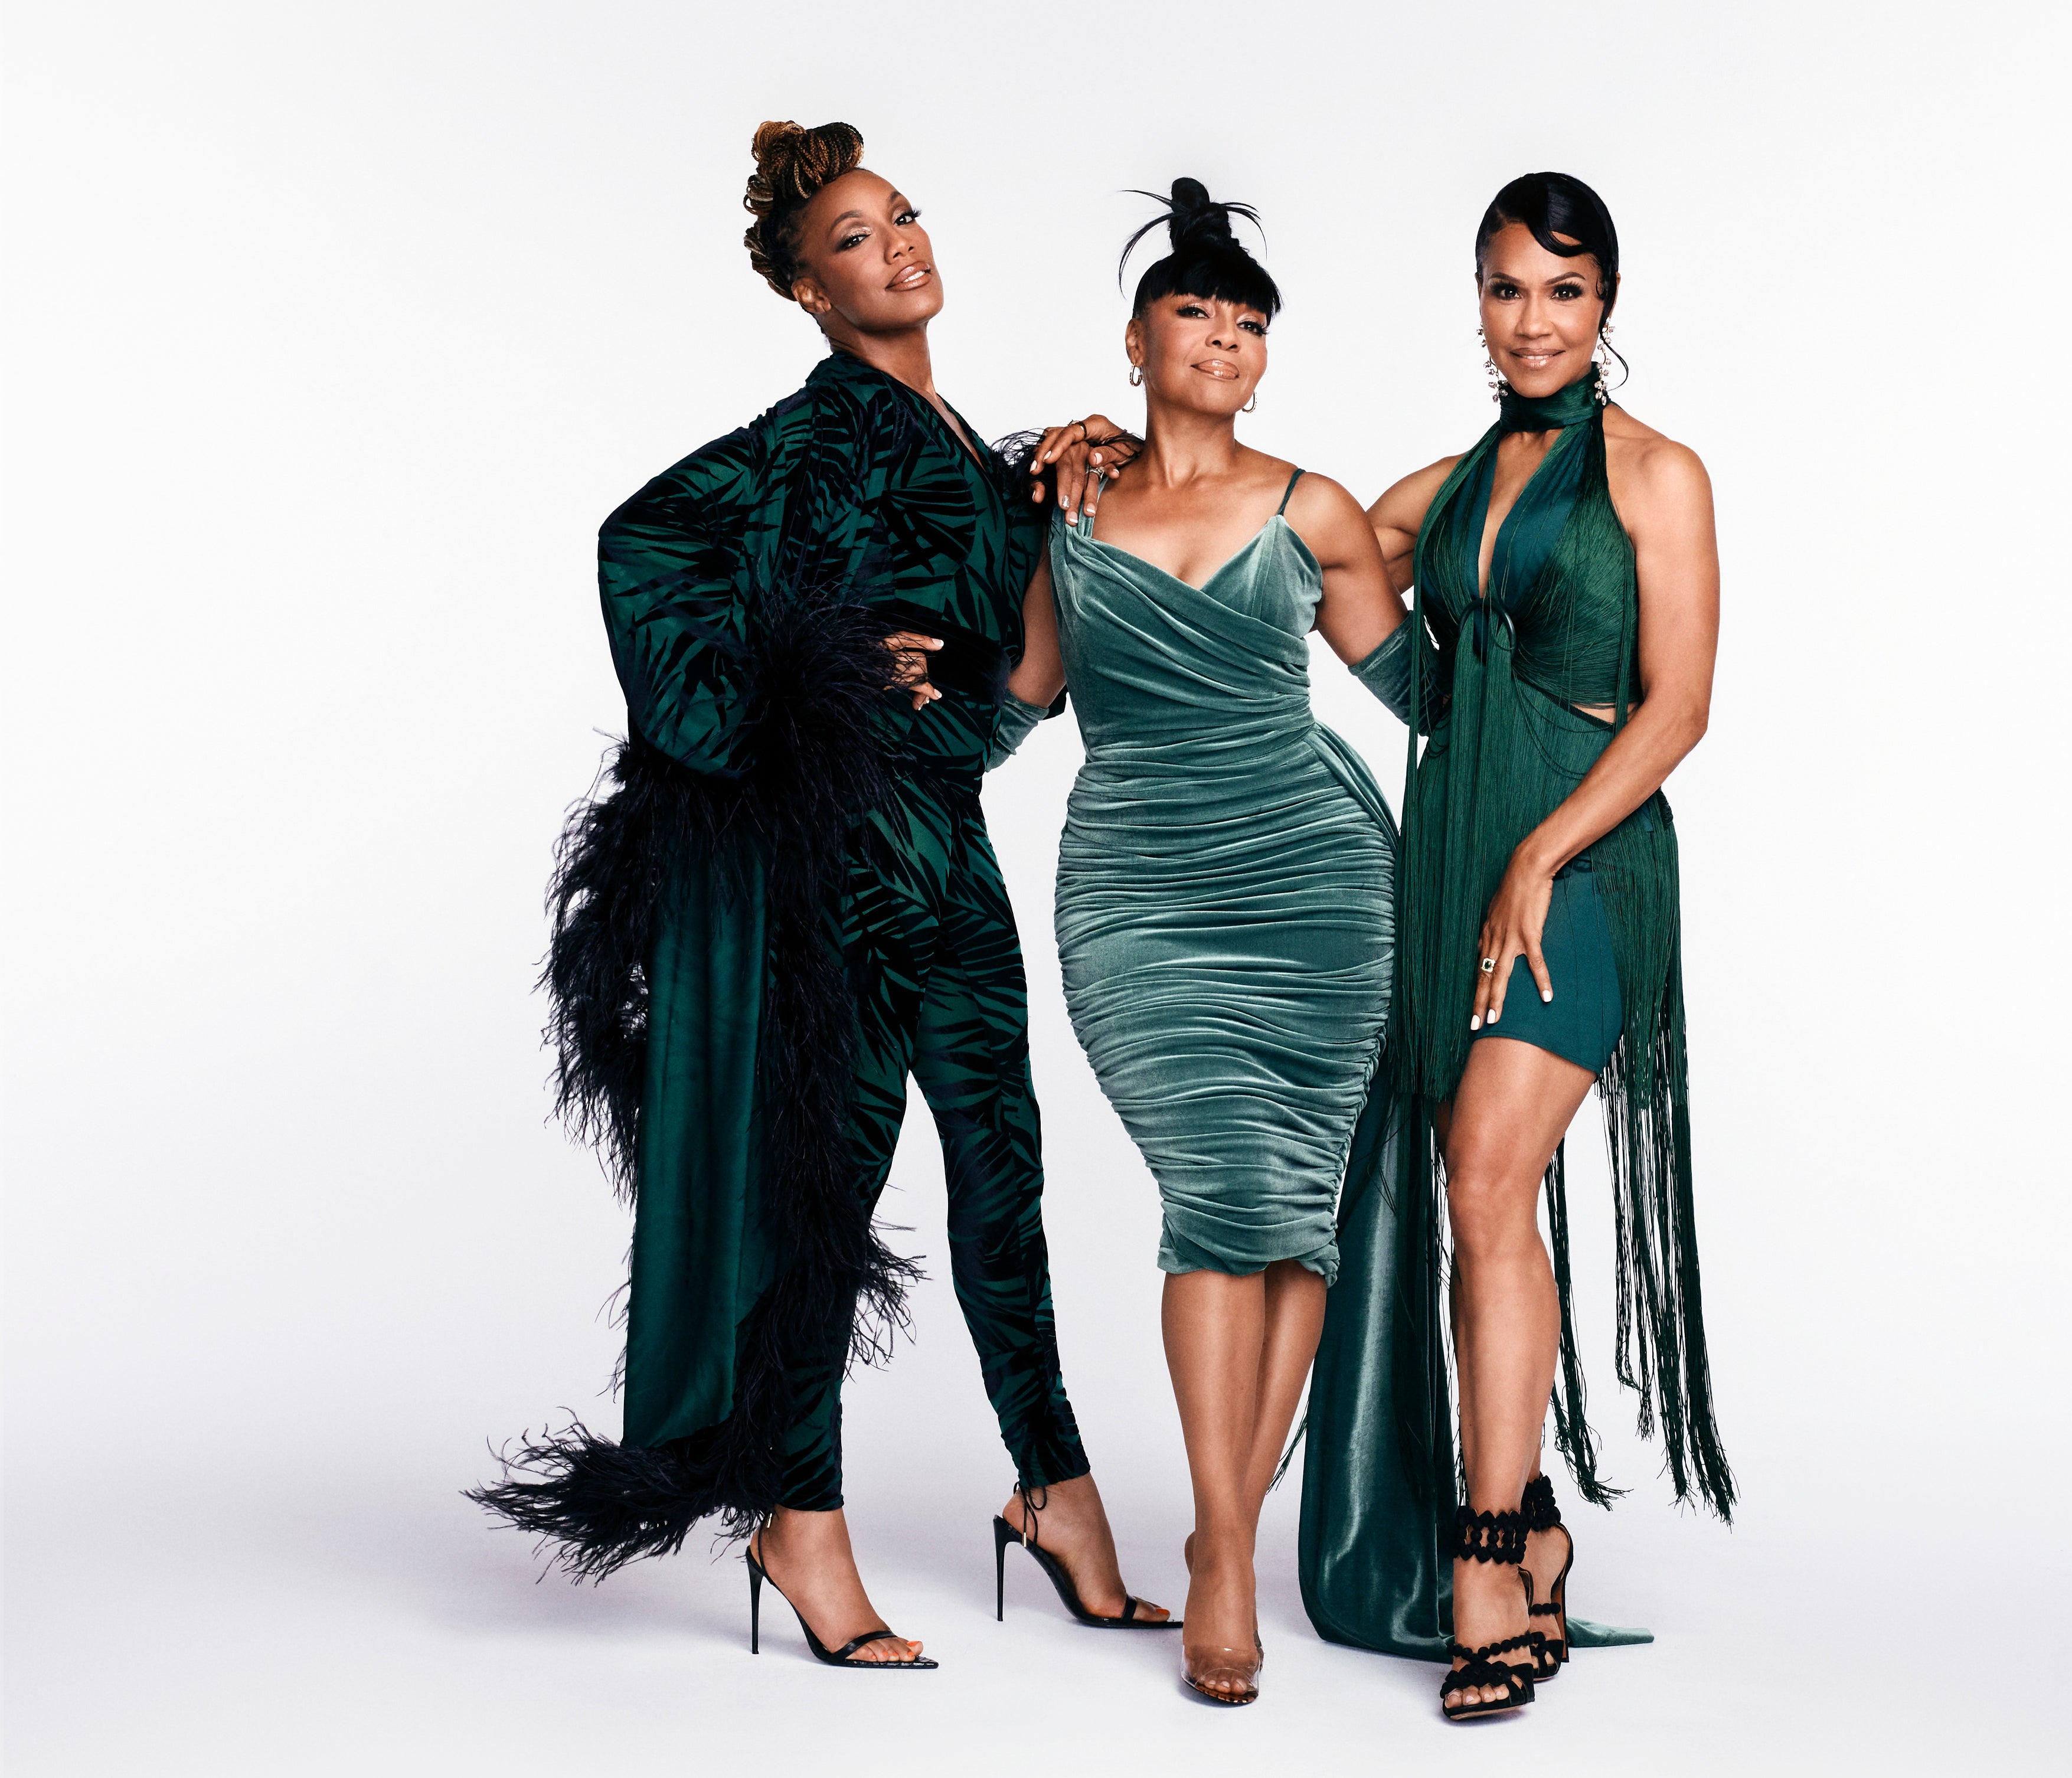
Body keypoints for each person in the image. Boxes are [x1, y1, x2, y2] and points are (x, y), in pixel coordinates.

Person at [469, 120, 1169, 1669]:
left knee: (1007, 1178)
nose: (899, 244)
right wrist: (798, 687)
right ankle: (801, 1516)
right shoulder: (814, 438)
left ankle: (1053, 1485)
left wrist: (1051, 508)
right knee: (825, 1201)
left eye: (905, 214)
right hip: (838, 869)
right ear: (805, 288)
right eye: (856, 236)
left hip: (953, 853)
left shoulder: (969, 449)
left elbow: (1028, 687)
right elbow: (639, 538)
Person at [1298, 171, 1735, 1721]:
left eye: (1562, 289)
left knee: (1486, 1170)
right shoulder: (1466, 482)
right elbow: (1342, 541)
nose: (1533, 317)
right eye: (1505, 288)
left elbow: (1678, 705)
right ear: (1475, 304)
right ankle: (1529, 1522)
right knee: (1471, 1192)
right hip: (1458, 855)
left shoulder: (1659, 476)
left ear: (1607, 303)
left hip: (1587, 859)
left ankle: (1487, 1557)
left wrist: (1542, 852)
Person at [1002, 179, 1411, 1703]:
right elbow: (1017, 708)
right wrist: (888, 686)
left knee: (1290, 1208)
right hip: (1138, 889)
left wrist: (1579, 724)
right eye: (1199, 314)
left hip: (1316, 883)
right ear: (1136, 338)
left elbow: (1423, 695)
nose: (1227, 341)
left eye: (1251, 326)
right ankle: (1228, 1533)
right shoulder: (1071, 507)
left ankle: (1223, 1543)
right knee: (1218, 1187)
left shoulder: (1314, 510)